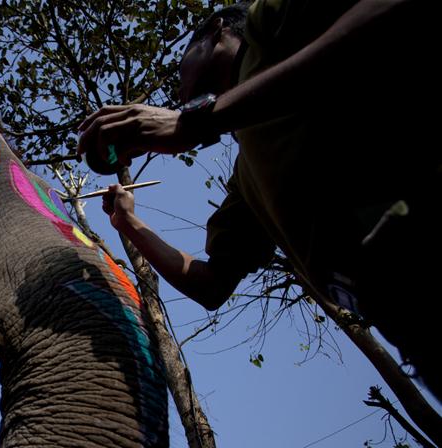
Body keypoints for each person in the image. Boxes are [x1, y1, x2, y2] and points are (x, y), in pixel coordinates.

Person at [76, 0, 440, 397]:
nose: (179, 90)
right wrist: (130, 224)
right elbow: (211, 284)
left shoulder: (267, 23)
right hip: (411, 324)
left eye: (181, 69)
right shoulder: (248, 176)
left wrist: (198, 120)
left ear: (216, 30)